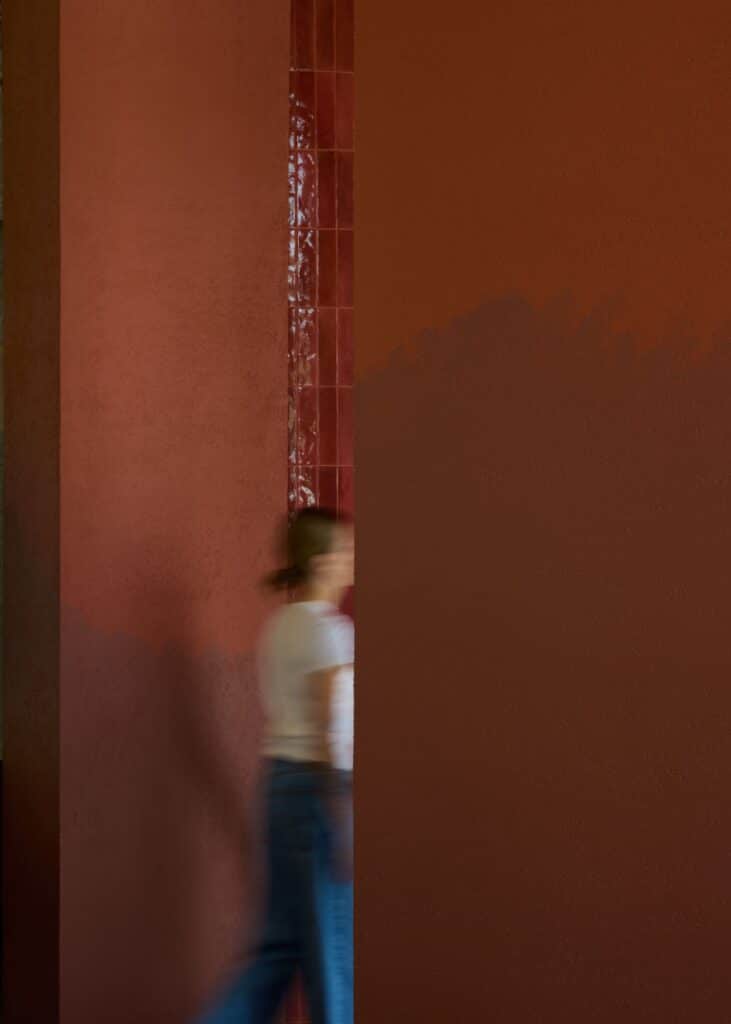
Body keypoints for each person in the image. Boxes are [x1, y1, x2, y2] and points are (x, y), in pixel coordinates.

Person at [198, 506, 354, 1024]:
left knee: (279, 950)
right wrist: (345, 817)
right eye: (346, 550)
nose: (352, 559)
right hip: (317, 790)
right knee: (331, 953)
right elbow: (334, 725)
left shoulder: (281, 627)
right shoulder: (331, 633)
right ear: (324, 560)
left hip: (279, 787)